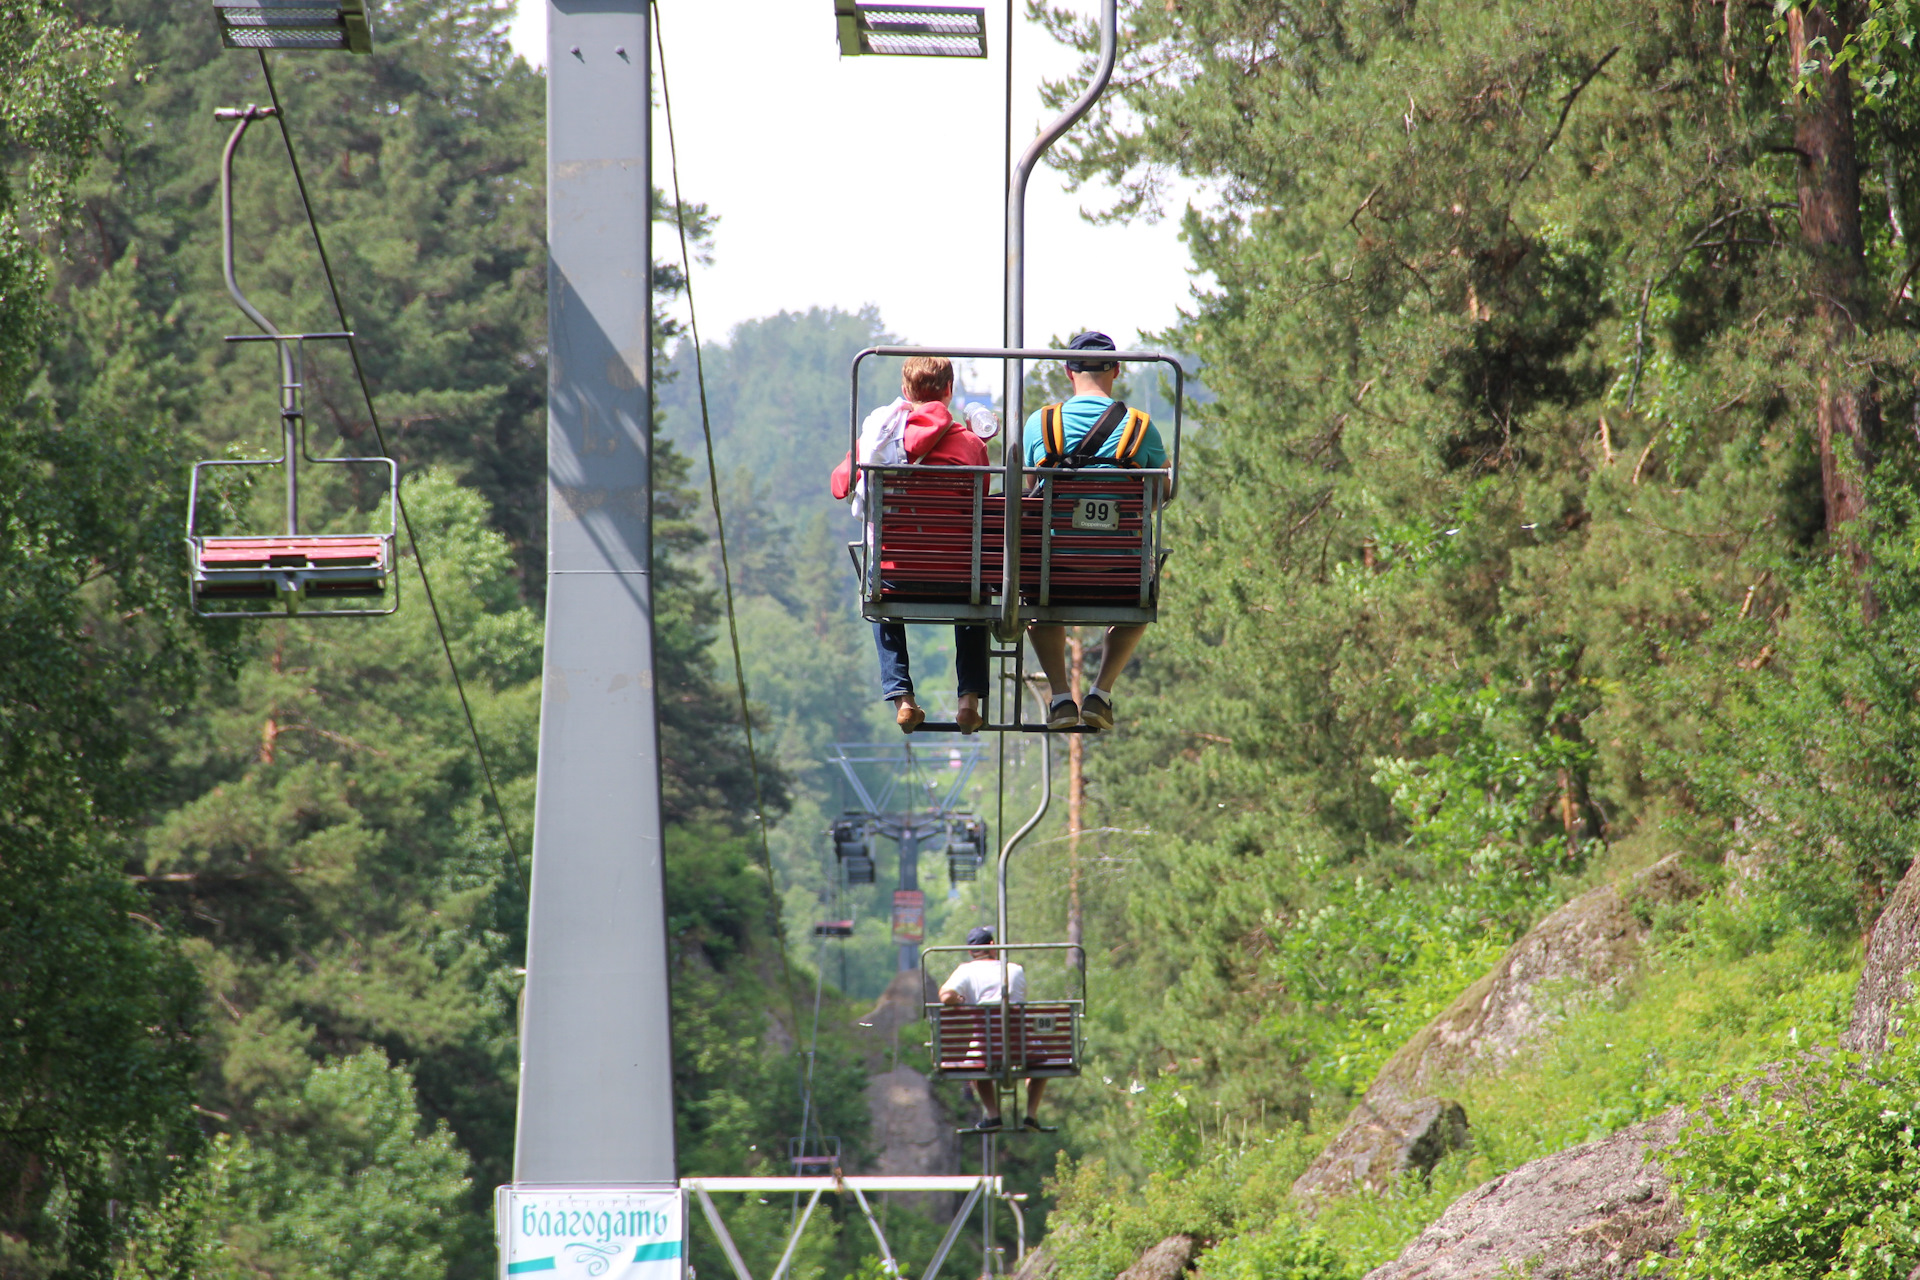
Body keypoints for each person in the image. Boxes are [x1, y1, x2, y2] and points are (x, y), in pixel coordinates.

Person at [834, 355, 1000, 734]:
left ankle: (903, 699)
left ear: (906, 391)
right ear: (948, 391)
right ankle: (968, 702)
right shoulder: (971, 445)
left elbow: (839, 485)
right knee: (976, 598)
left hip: (898, 575)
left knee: (878, 600)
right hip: (960, 578)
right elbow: (983, 501)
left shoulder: (877, 440)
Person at [1022, 331, 1168, 733]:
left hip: (1056, 572)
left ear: (1068, 370)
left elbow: (1031, 489)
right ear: (1116, 370)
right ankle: (1100, 693)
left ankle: (1059, 696)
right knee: (1139, 607)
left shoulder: (1042, 424)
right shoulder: (1142, 428)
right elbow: (1162, 493)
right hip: (1120, 573)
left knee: (1037, 605)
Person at [939, 925, 1048, 1131]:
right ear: (992, 946)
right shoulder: (1015, 969)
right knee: (1042, 1059)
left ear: (971, 951)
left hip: (988, 1049)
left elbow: (945, 996)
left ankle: (993, 1114)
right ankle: (1031, 1114)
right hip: (1021, 1049)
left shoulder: (966, 970)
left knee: (975, 1061)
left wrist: (961, 999)